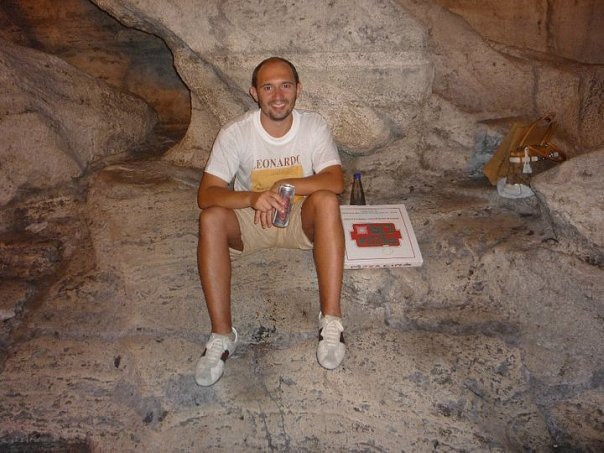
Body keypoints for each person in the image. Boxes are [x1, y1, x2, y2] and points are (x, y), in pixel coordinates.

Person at [195, 56, 346, 386]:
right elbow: (206, 194)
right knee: (211, 219)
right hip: (252, 221)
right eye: (268, 87)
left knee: (327, 200)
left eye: (285, 86)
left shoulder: (313, 125)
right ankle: (222, 335)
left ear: (298, 89)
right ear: (254, 93)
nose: (278, 96)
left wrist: (285, 185)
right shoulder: (236, 132)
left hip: (300, 219)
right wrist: (251, 198)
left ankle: (332, 321)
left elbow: (335, 180)